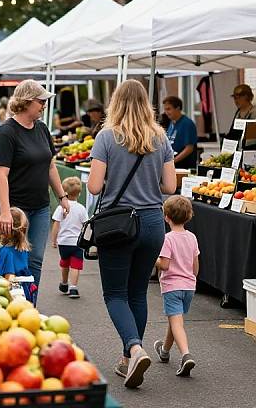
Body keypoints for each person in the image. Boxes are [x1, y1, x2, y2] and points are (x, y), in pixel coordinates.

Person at [87, 79, 176, 389]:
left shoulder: (106, 137)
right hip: (153, 222)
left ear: (115, 103)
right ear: (146, 104)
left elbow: (95, 187)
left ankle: (135, 350)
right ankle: (128, 359)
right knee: (138, 292)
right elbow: (170, 187)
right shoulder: (161, 137)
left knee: (114, 293)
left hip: (119, 224)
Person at [0, 79, 70, 303]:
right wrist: (5, 212)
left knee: (35, 259)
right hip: (14, 208)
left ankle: (29, 305)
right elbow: (1, 175)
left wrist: (61, 196)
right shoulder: (7, 133)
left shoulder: (42, 129)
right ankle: (10, 303)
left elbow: (51, 165)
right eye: (40, 100)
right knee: (14, 257)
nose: (44, 105)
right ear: (26, 102)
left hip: (40, 206)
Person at [154, 195, 199, 377]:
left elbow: (164, 265)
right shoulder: (192, 237)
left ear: (166, 217)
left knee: (177, 323)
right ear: (189, 215)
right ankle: (164, 351)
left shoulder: (168, 239)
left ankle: (185, 354)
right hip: (189, 286)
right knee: (175, 320)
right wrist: (191, 278)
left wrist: (152, 258)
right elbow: (195, 265)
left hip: (172, 285)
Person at [51, 176, 88, 299]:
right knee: (76, 265)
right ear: (80, 193)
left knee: (65, 263)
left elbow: (56, 224)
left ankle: (64, 283)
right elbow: (85, 225)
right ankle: (73, 287)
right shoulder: (82, 208)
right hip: (77, 243)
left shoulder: (60, 207)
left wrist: (54, 240)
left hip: (64, 242)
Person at [0, 207, 37, 303]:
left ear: (2, 230)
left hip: (15, 291)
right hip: (27, 287)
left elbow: (9, 276)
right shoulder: (22, 248)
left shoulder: (6, 252)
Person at [163, 96, 198, 170]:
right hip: (173, 165)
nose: (166, 112)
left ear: (178, 108)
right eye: (165, 109)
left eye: (168, 109)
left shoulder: (187, 124)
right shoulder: (172, 123)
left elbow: (189, 148)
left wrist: (172, 161)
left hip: (183, 167)